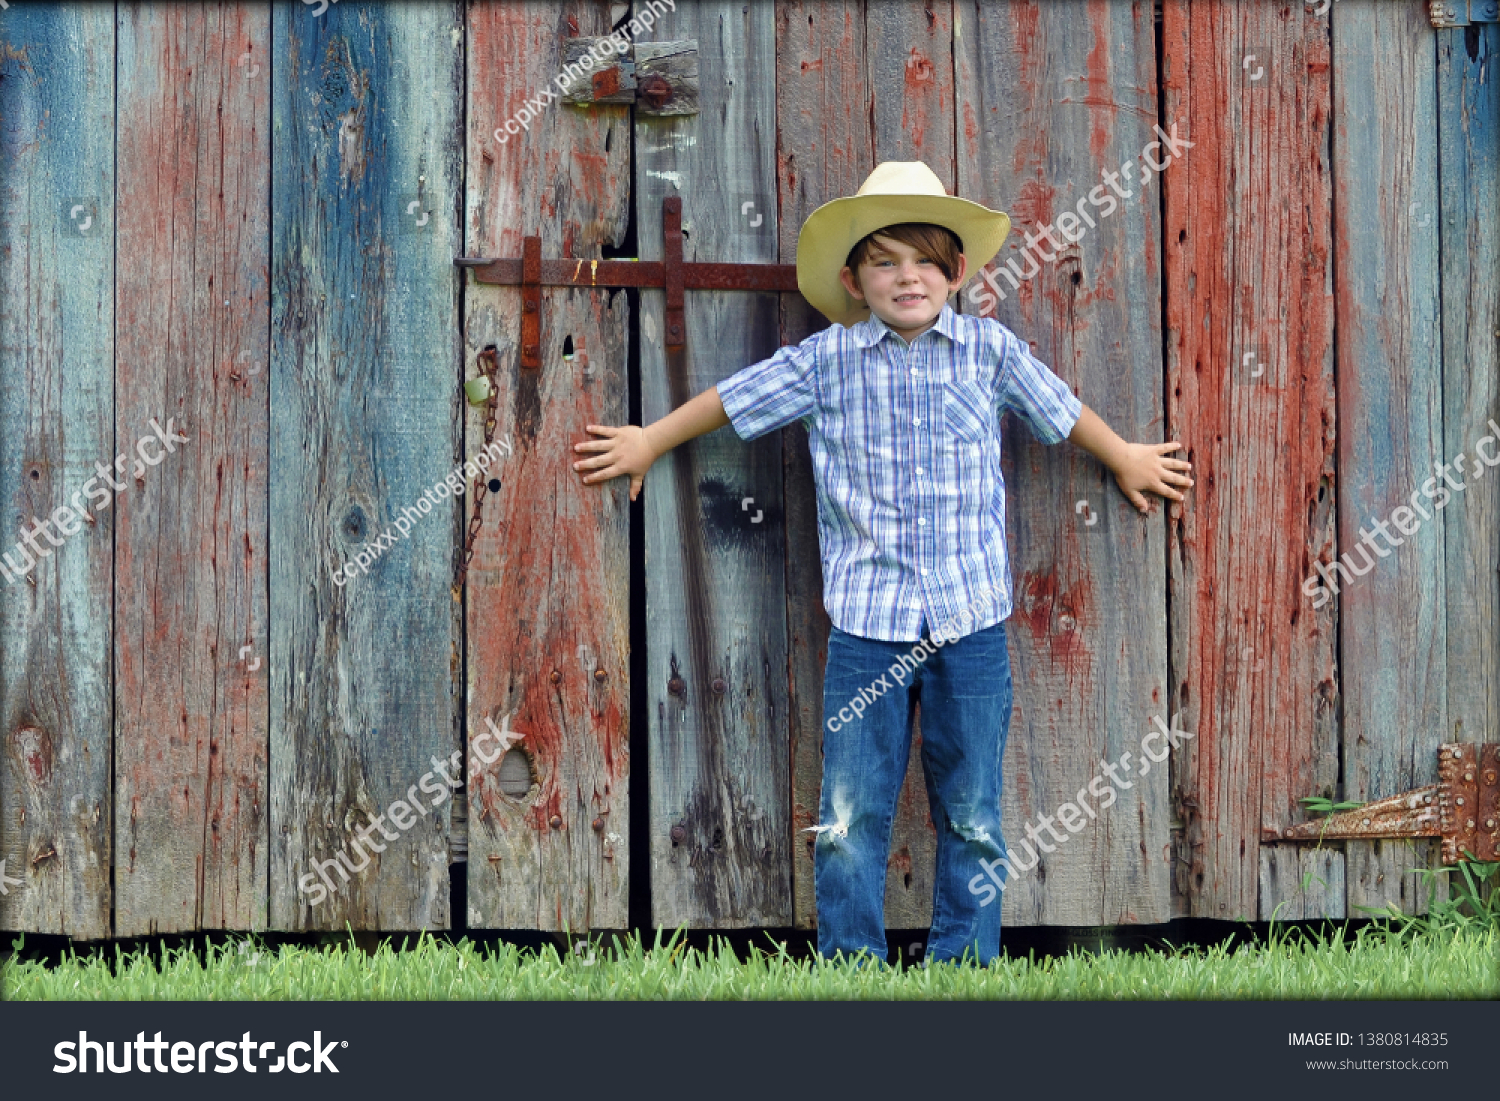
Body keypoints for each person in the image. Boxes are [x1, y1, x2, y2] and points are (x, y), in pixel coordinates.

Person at [571, 161, 1193, 965]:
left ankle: (964, 964)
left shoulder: (987, 351)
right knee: (849, 811)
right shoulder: (825, 362)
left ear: (956, 272)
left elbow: (1058, 406)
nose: (909, 277)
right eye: (886, 261)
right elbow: (735, 398)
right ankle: (850, 963)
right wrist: (649, 440)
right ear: (853, 278)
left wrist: (1124, 457)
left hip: (970, 623)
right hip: (868, 626)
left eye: (927, 260)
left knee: (971, 809)